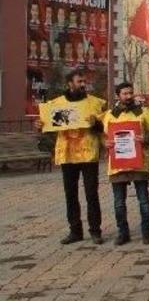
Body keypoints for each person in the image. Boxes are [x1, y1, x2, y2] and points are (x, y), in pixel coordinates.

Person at [35, 70, 107, 245]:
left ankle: (95, 231)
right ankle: (75, 231)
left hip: (88, 153)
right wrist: (40, 125)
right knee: (70, 194)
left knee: (92, 194)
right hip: (67, 154)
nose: (83, 84)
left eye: (84, 81)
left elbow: (105, 126)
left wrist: (96, 124)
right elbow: (47, 127)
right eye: (79, 81)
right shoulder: (56, 105)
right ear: (70, 83)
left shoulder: (95, 103)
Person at [102, 82, 149, 245]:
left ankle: (146, 232)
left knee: (144, 200)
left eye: (130, 93)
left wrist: (146, 138)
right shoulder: (109, 115)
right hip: (117, 164)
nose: (128, 96)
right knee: (119, 203)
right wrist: (104, 143)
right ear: (118, 95)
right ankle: (123, 232)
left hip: (139, 162)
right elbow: (101, 135)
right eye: (125, 93)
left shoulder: (144, 112)